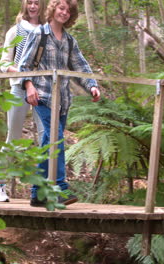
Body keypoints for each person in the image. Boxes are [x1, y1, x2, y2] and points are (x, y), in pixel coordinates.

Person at [18, 0, 101, 206]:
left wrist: (91, 85)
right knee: (55, 139)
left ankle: (38, 192)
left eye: (68, 10)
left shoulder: (69, 41)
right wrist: (29, 86)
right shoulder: (39, 34)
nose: (64, 12)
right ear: (53, 9)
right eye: (61, 8)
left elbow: (80, 65)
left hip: (63, 100)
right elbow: (24, 64)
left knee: (49, 141)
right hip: (43, 96)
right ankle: (60, 189)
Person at [0, 0, 47, 202]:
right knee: (13, 137)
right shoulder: (15, 31)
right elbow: (4, 63)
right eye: (29, 2)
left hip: (42, 89)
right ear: (25, 5)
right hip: (18, 87)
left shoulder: (46, 30)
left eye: (36, 2)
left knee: (46, 137)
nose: (33, 6)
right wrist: (23, 73)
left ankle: (42, 189)